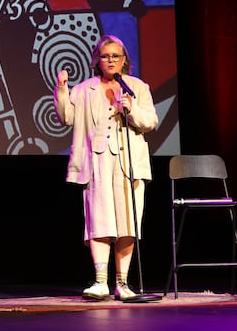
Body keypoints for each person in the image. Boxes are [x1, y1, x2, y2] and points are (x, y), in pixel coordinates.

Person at [53, 34, 159, 301]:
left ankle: (122, 284)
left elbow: (150, 122)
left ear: (124, 60)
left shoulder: (137, 87)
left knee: (127, 223)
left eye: (115, 56)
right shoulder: (84, 89)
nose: (110, 60)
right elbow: (67, 117)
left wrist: (131, 108)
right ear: (97, 60)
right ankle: (100, 282)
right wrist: (62, 90)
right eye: (105, 56)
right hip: (97, 160)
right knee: (99, 221)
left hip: (129, 162)